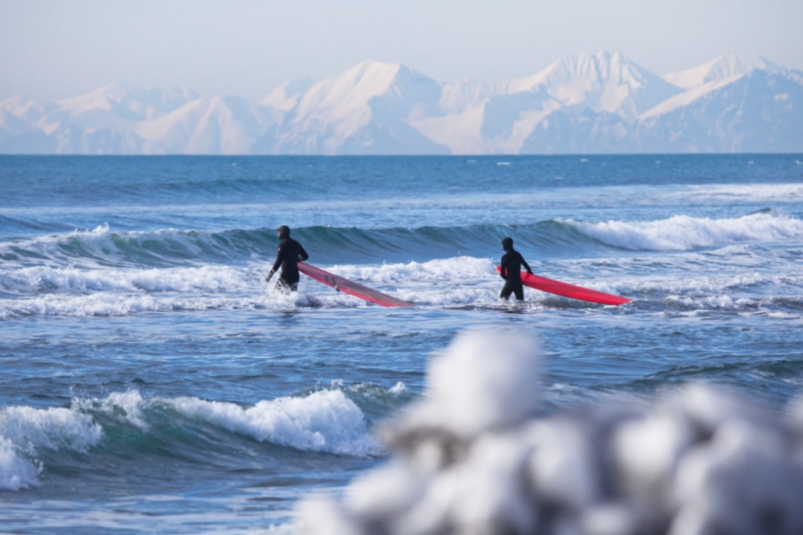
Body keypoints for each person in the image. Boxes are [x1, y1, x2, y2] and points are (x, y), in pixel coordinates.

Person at [265, 225, 309, 293]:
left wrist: (269, 275)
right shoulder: (296, 243)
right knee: (292, 296)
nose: (278, 234)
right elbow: (305, 256)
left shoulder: (282, 245)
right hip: (295, 275)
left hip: (286, 275)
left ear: (282, 233)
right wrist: (297, 259)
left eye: (278, 232)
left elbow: (278, 262)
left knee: (276, 294)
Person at [499, 237, 533, 301]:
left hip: (510, 282)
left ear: (506, 245)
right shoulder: (518, 255)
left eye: (503, 245)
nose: (502, 247)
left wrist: (508, 280)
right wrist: (529, 278)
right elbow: (528, 268)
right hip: (518, 282)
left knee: (502, 300)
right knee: (520, 302)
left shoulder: (504, 257)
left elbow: (502, 274)